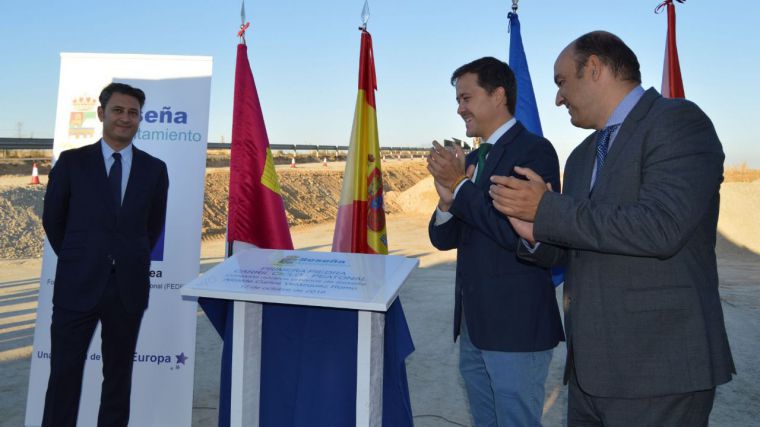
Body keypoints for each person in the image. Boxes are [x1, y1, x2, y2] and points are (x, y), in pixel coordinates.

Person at [489, 31, 735, 426]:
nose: (557, 98)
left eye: (561, 82)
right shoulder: (584, 154)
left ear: (595, 69)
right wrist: (534, 232)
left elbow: (661, 227)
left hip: (658, 369)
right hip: (590, 374)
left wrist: (548, 209)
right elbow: (580, 241)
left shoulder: (678, 122)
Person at [427, 56, 564, 426]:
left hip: (516, 327)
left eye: (466, 98)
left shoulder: (534, 151)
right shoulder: (473, 158)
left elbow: (518, 235)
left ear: (498, 95)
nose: (460, 109)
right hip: (475, 325)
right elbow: (444, 239)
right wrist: (446, 199)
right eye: (458, 100)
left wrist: (460, 186)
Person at [41, 82, 169, 426]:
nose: (125, 119)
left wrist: (124, 256)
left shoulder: (155, 170)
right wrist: (81, 256)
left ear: (140, 119)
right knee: (64, 375)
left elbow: (151, 227)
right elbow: (53, 220)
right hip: (76, 286)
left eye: (133, 113)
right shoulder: (71, 163)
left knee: (117, 378)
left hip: (126, 289)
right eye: (118, 110)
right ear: (101, 113)